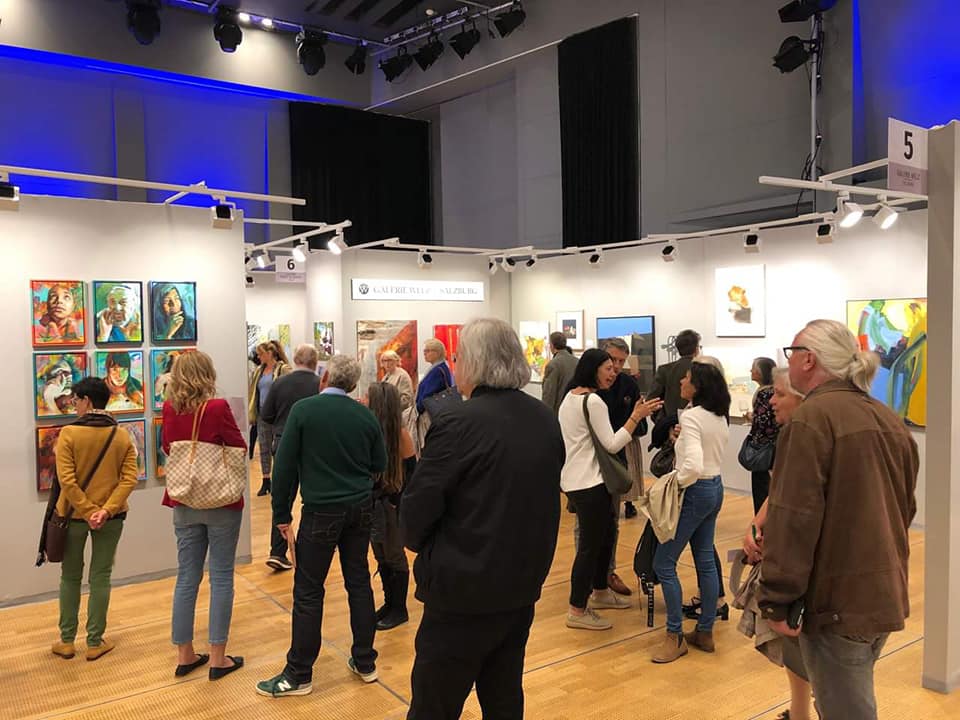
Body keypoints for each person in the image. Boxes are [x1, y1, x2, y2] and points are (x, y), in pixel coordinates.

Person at [401, 318, 564, 719]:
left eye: (458, 358)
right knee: (504, 697)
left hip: (461, 594)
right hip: (521, 586)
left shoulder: (458, 423)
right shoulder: (544, 418)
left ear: (472, 362)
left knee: (434, 706)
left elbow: (415, 516)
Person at [758, 320, 918, 720]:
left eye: (792, 352)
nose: (789, 361)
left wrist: (776, 600)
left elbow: (794, 519)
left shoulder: (811, 420)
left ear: (808, 360)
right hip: (882, 593)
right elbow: (906, 509)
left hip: (837, 604)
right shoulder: (887, 418)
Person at [257, 355, 386, 698]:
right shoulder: (365, 415)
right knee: (359, 582)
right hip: (360, 508)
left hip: (321, 512)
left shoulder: (304, 411)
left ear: (325, 377)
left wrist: (281, 514)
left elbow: (284, 467)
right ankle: (365, 661)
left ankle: (299, 674)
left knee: (309, 590)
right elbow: (380, 462)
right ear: (353, 384)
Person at [561, 349, 662, 631]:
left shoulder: (570, 398)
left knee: (604, 538)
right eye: (607, 367)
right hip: (591, 483)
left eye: (615, 367)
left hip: (578, 479)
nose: (613, 372)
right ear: (592, 369)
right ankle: (577, 609)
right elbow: (613, 443)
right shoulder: (593, 401)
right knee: (590, 547)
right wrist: (636, 416)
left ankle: (601, 591)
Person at [162, 351, 247, 681]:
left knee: (187, 576)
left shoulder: (169, 408)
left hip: (185, 500)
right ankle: (217, 658)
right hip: (221, 502)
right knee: (221, 576)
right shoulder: (217, 407)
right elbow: (238, 446)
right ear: (207, 374)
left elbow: (168, 447)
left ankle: (185, 655)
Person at [49, 377, 138, 662]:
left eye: (76, 400)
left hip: (73, 517)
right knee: (101, 576)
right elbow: (129, 479)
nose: (74, 405)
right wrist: (105, 510)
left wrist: (88, 511)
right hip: (111, 518)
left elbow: (67, 481)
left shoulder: (69, 434)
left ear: (87, 401)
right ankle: (95, 642)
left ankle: (66, 641)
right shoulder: (121, 435)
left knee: (70, 576)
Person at [742, 367, 811, 720]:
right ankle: (799, 713)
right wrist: (757, 523)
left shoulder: (813, 439)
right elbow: (780, 488)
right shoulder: (791, 437)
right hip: (791, 557)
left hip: (807, 564)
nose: (771, 401)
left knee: (815, 651)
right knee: (796, 650)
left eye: (780, 394)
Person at [651, 361, 730, 663]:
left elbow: (693, 465)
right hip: (715, 487)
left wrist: (676, 482)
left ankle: (675, 637)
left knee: (664, 563)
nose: (681, 382)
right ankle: (705, 631)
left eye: (686, 378)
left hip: (695, 491)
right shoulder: (718, 416)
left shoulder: (694, 416)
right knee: (705, 560)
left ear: (697, 386)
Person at [260, 343, 322, 572]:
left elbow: (266, 415)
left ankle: (278, 551)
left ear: (295, 360)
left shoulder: (280, 383)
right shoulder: (320, 385)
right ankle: (314, 546)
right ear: (315, 362)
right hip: (313, 447)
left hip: (283, 443)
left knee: (283, 497)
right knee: (314, 498)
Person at [367, 382, 416, 631]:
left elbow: (412, 473)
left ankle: (399, 608)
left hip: (391, 505)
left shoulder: (401, 436)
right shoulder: (374, 433)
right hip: (376, 503)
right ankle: (389, 603)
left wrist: (399, 505)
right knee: (380, 554)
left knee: (394, 556)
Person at [247, 340, 290, 497]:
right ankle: (266, 480)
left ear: (269, 353)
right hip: (262, 415)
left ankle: (279, 480)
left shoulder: (283, 370)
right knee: (264, 448)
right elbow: (254, 392)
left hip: (278, 415)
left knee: (277, 449)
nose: (258, 357)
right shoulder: (259, 371)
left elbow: (288, 389)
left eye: (261, 354)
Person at [742, 356, 778, 513]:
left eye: (753, 368)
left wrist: (753, 418)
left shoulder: (764, 393)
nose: (751, 371)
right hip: (773, 448)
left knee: (761, 491)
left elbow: (763, 422)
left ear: (759, 372)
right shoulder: (773, 391)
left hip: (763, 450)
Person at [648, 329, 701, 417]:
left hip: (669, 422)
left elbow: (651, 402)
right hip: (698, 421)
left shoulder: (664, 370)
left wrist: (663, 421)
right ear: (696, 349)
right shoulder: (704, 370)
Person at [541, 331, 578, 414]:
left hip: (559, 412)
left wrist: (545, 414)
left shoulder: (553, 364)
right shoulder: (577, 362)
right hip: (574, 410)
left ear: (552, 345)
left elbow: (549, 394)